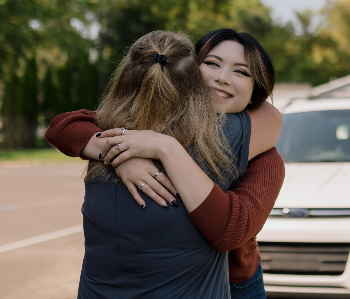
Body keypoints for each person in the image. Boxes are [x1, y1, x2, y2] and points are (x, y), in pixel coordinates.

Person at [46, 29, 285, 298]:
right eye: (212, 63)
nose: (222, 78)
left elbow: (231, 232)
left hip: (237, 280)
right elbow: (65, 126)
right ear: (185, 68)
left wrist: (164, 148)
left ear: (256, 91)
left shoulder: (260, 151)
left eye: (241, 72)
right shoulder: (143, 128)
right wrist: (121, 155)